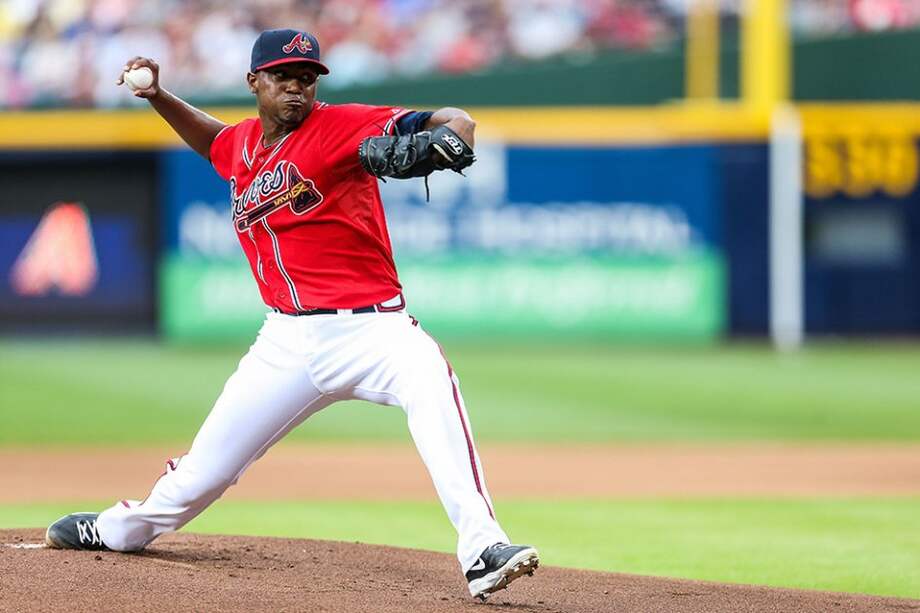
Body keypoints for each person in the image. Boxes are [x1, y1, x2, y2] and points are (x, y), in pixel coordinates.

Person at [43, 28, 538, 600]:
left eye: (306, 78)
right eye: (282, 77)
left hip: (376, 330)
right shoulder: (242, 144)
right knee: (203, 474)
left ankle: (483, 548)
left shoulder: (345, 124)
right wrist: (158, 96)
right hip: (285, 343)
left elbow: (456, 119)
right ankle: (119, 530)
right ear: (254, 81)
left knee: (435, 395)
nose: (296, 88)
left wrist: (450, 136)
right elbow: (214, 142)